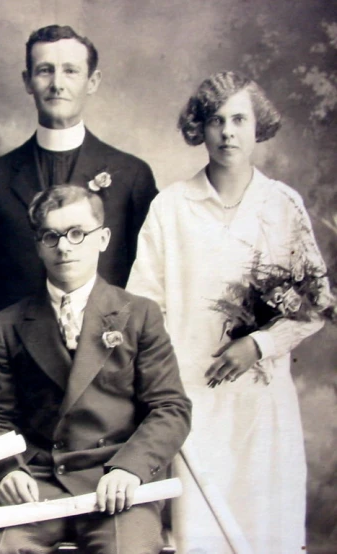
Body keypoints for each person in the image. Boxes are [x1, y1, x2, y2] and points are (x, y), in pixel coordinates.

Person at [126, 71, 332, 553]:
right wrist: (164, 382)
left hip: (262, 400)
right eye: (215, 120)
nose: (228, 132)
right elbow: (143, 305)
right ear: (200, 128)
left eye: (239, 119)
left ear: (258, 125)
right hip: (192, 395)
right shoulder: (172, 207)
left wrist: (259, 343)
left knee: (264, 523)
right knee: (202, 528)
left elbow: (317, 304)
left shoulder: (282, 205)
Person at [0, 184, 191, 554]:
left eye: (78, 233)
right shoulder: (9, 324)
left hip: (117, 481)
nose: (64, 246)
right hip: (39, 480)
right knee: (0, 550)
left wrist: (130, 468)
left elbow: (171, 409)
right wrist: (7, 470)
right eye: (51, 236)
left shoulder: (139, 314)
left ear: (103, 238)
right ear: (38, 244)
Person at [0, 24, 157, 366]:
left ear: (92, 82)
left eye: (71, 71)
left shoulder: (132, 175)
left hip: (107, 367)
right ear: (27, 81)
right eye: (45, 70)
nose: (57, 83)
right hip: (15, 371)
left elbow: (149, 284)